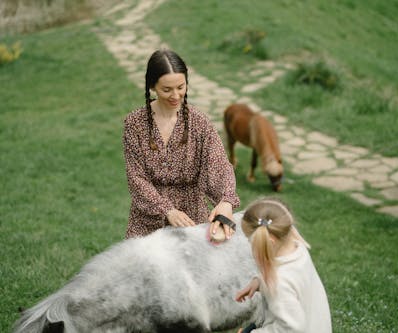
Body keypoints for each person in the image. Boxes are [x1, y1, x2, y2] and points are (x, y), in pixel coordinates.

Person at [122, 49, 239, 239]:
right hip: (147, 222)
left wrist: (226, 201)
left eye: (181, 87)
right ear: (152, 86)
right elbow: (136, 178)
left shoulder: (199, 123)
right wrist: (167, 210)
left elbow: (218, 164)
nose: (175, 95)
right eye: (166, 90)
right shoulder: (134, 124)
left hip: (192, 220)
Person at [235, 198, 332, 333]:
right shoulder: (297, 247)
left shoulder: (279, 282)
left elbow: (292, 328)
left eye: (251, 242)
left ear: (270, 242)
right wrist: (259, 282)